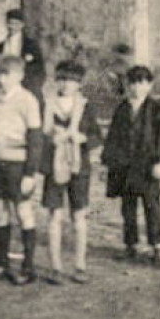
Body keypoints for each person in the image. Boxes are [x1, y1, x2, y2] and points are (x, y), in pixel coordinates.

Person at [39, 60, 104, 285]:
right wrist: (50, 139)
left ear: (79, 83)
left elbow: (97, 136)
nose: (67, 84)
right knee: (54, 216)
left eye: (73, 80)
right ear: (56, 80)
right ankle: (55, 266)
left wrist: (82, 138)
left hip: (79, 167)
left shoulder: (86, 106)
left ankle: (80, 265)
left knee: (79, 216)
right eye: (63, 79)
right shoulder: (47, 104)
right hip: (53, 167)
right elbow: (38, 136)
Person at [102, 65, 160, 266]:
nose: (137, 88)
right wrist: (108, 161)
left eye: (142, 83)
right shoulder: (122, 108)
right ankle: (130, 244)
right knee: (128, 206)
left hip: (147, 165)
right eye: (133, 83)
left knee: (152, 205)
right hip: (125, 166)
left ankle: (157, 245)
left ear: (149, 85)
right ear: (127, 84)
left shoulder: (156, 109)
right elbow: (113, 136)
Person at [0, 53, 46, 285]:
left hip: (18, 164)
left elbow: (35, 138)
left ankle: (28, 265)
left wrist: (30, 173)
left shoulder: (28, 100)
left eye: (6, 74)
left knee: (23, 211)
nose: (2, 79)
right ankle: (2, 261)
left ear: (19, 76)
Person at [0, 9, 45, 106]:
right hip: (5, 87)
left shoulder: (31, 45)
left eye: (16, 24)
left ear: (22, 25)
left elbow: (39, 69)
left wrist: (32, 87)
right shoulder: (0, 47)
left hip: (25, 86)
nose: (12, 27)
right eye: (10, 23)